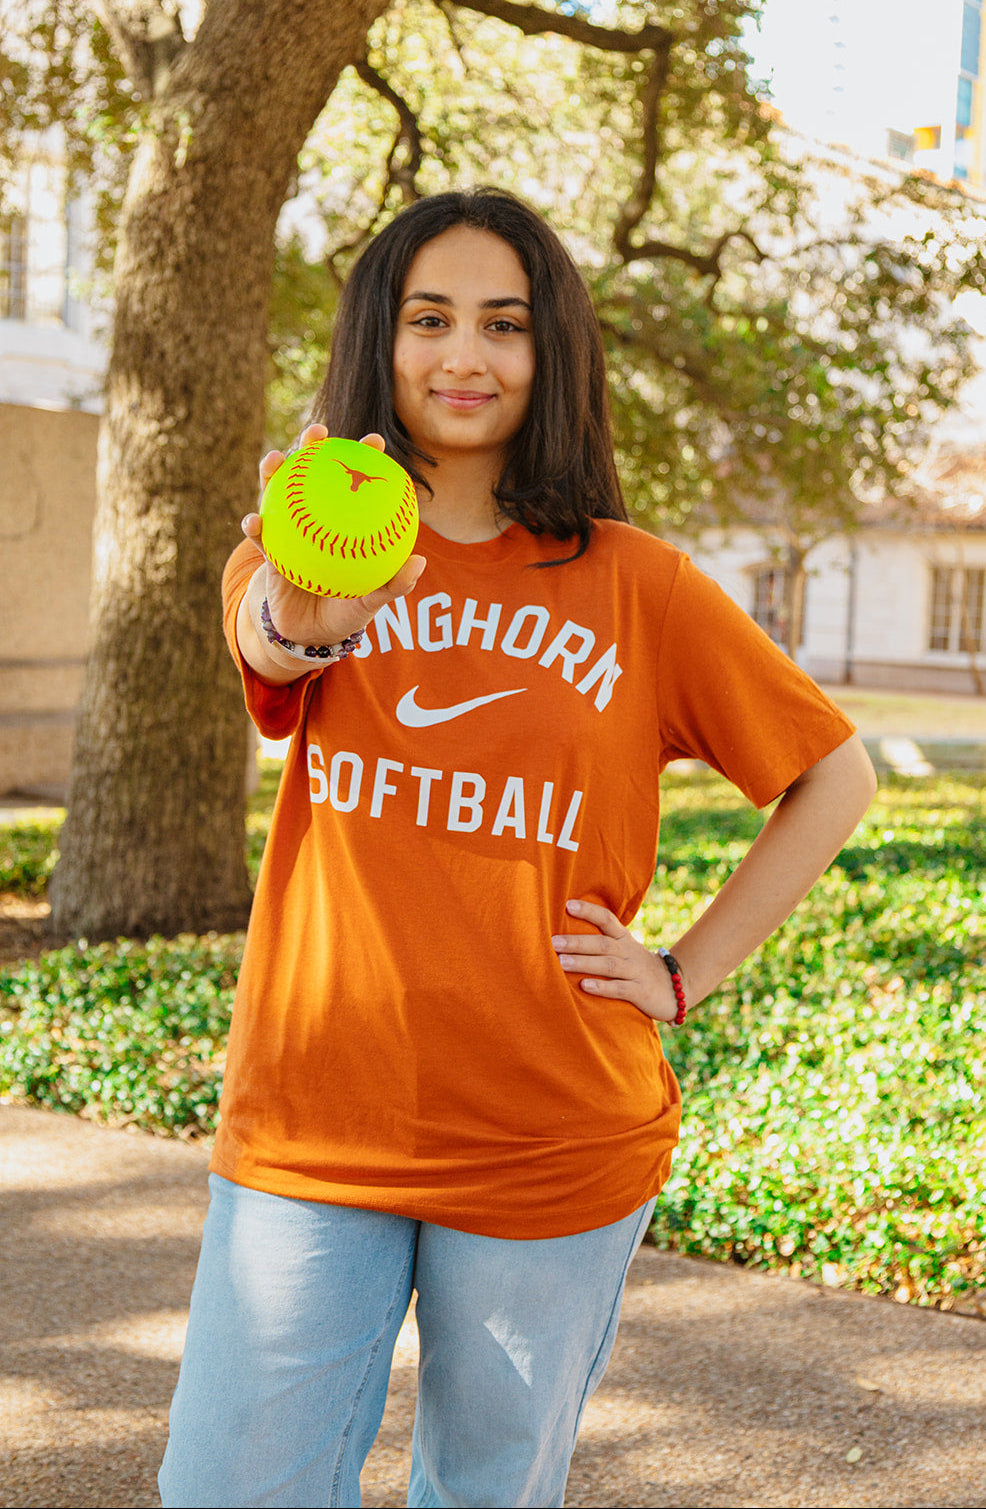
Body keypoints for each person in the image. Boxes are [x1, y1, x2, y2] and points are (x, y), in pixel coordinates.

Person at [159, 187, 876, 1509]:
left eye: (504, 323)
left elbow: (833, 772)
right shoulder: (301, 538)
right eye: (429, 318)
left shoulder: (634, 583)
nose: (464, 355)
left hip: (549, 1136)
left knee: (486, 1492)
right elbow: (270, 636)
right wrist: (316, 600)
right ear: (381, 339)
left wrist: (676, 973)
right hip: (316, 1126)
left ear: (551, 355)